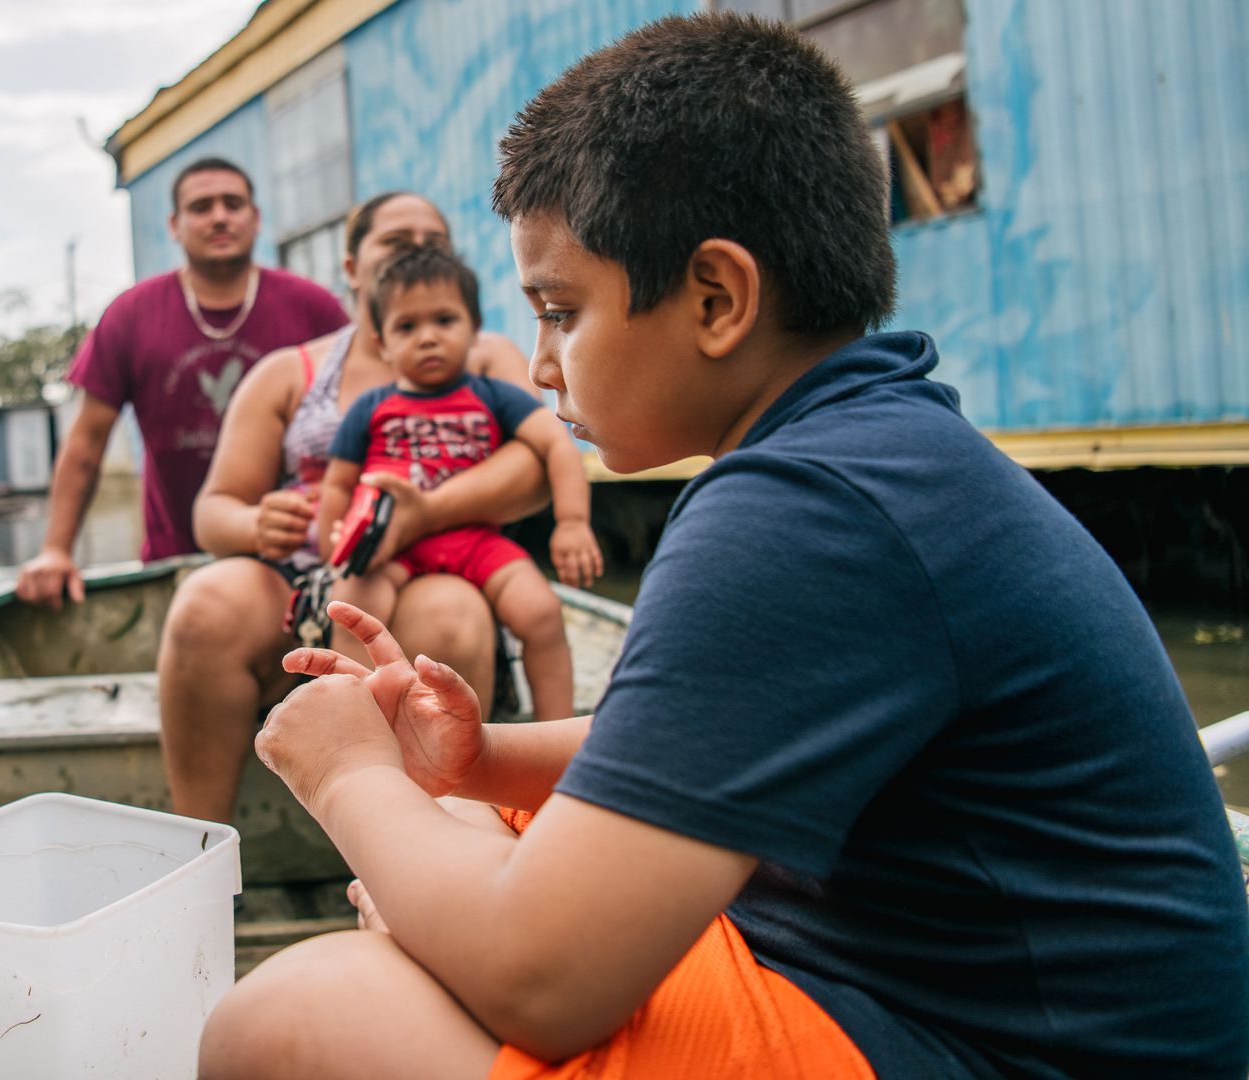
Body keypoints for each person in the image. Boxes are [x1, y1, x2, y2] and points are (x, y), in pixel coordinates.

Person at [201, 14, 1249, 1080]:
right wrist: (473, 763)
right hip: (906, 988)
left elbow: (544, 985)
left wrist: (347, 775)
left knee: (288, 1017)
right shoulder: (871, 455)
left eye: (561, 310)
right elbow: (701, 741)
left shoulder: (802, 512)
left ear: (717, 297)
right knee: (457, 842)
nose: (543, 362)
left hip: (979, 1048)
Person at [158, 190, 567, 824]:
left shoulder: (483, 358)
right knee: (204, 605)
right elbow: (213, 511)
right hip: (312, 566)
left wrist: (423, 513)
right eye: (397, 243)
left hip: (445, 563)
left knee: (451, 620)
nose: (419, 256)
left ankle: (439, 855)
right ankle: (200, 850)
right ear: (351, 269)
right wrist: (254, 523)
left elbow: (536, 467)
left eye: (435, 245)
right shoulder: (289, 370)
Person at [15, 157, 349, 608]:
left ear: (256, 219)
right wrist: (55, 550)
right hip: (174, 559)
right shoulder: (131, 315)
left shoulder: (313, 309)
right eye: (201, 207)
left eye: (233, 204)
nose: (219, 217)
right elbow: (85, 445)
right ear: (174, 224)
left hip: (297, 555)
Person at [319, 245, 599, 720]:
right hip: (394, 545)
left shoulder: (495, 396)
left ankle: (555, 744)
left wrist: (572, 522)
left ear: (473, 331)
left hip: (475, 539)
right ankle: (351, 724)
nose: (427, 338)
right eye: (407, 327)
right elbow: (336, 485)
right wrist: (337, 541)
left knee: (542, 614)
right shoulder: (370, 408)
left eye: (444, 321)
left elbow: (556, 446)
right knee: (350, 607)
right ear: (382, 343)